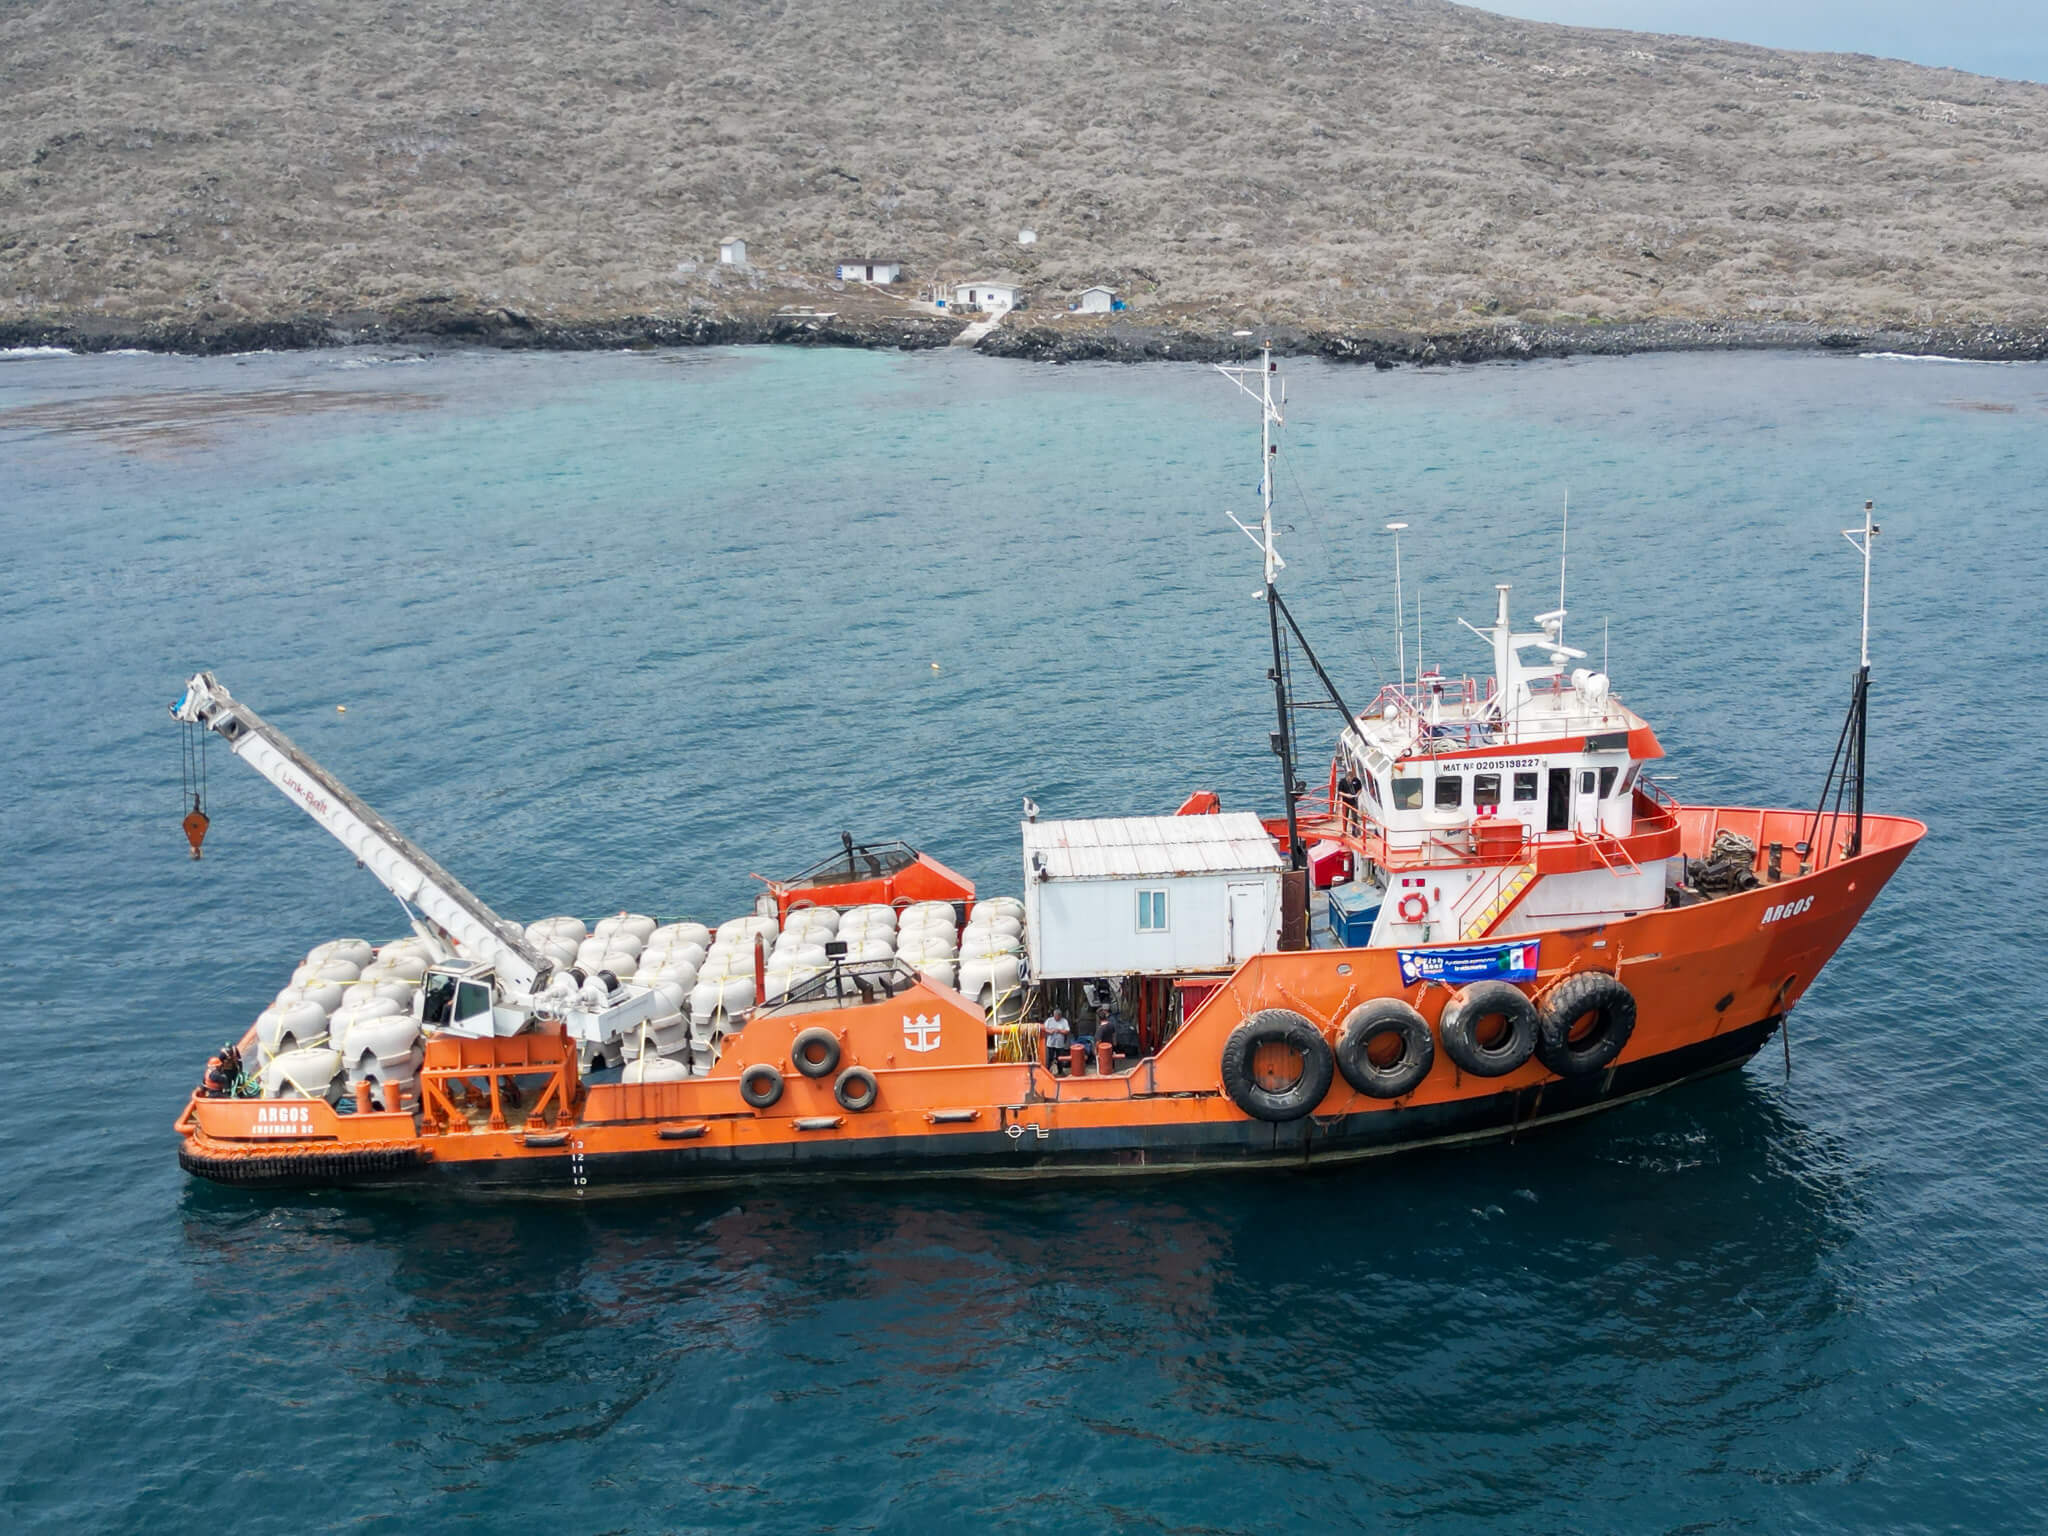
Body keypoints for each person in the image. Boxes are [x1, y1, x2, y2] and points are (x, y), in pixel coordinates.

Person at [1042, 1008, 1072, 1073]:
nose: (1057, 1018)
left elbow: (1067, 1031)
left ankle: (1060, 1071)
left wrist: (1059, 1031)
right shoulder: (1049, 1020)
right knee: (1050, 1058)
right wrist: (1049, 1031)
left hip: (1060, 1044)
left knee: (1060, 1058)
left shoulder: (1064, 1021)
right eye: (1056, 1016)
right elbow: (1044, 1029)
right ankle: (1048, 1071)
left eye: (1058, 1016)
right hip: (1050, 1043)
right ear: (1054, 1015)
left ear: (1060, 1016)